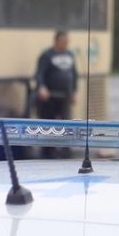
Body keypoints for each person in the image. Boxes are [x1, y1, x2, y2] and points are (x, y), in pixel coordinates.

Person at [34, 30, 78, 159]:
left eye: (67, 41)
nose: (65, 44)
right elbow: (39, 73)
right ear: (57, 41)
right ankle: (48, 150)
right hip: (50, 97)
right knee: (49, 124)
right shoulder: (47, 55)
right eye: (63, 41)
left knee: (66, 124)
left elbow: (73, 75)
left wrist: (73, 92)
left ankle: (66, 149)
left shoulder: (70, 55)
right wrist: (42, 87)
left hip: (65, 96)